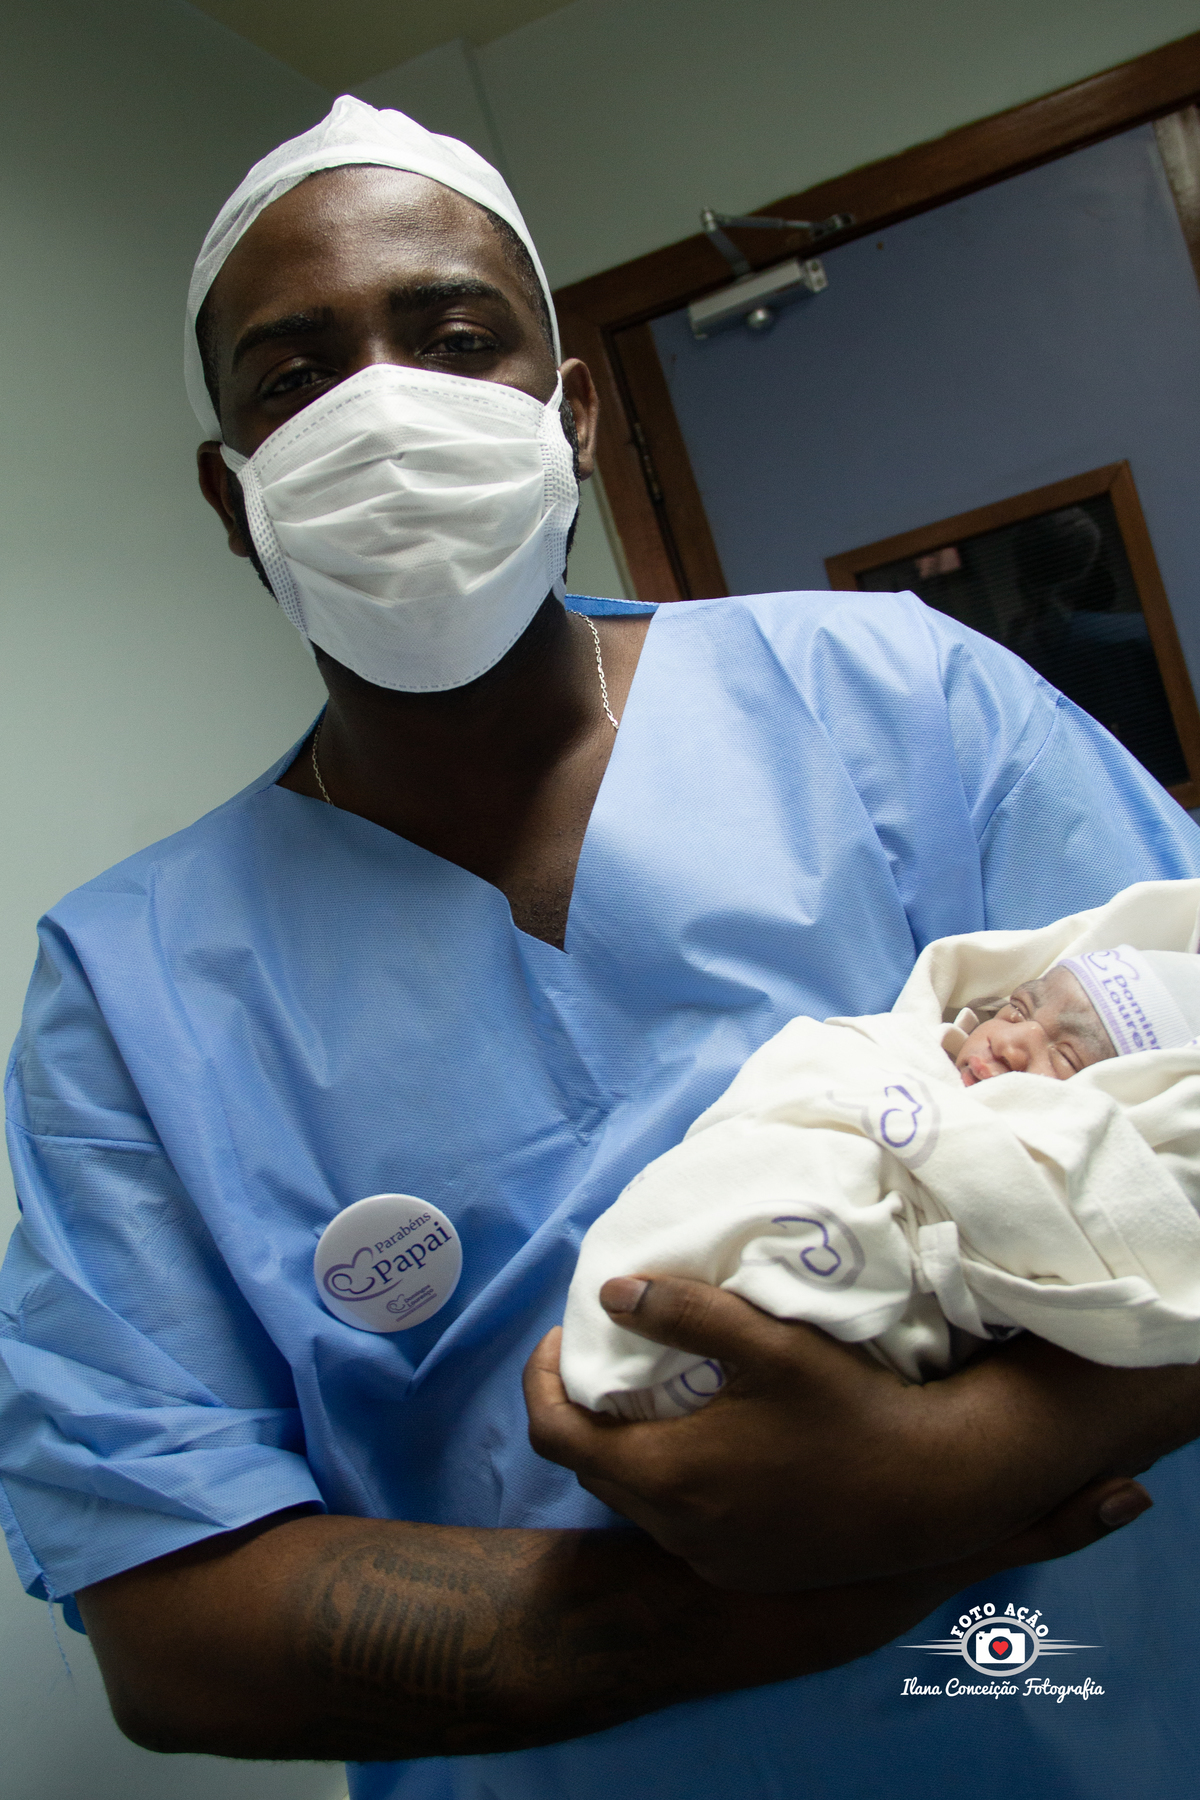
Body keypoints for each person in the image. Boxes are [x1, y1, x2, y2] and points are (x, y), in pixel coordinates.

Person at [3, 97, 1200, 1800]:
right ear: (231, 490)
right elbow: (172, 1618)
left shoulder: (898, 705)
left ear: (570, 414)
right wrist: (787, 1596)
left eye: (455, 337)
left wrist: (960, 1468)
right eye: (294, 375)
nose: (385, 412)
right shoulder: (131, 1000)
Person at [561, 881, 1200, 1415]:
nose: (1012, 1042)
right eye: (1014, 1011)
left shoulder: (1081, 1164)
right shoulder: (893, 1053)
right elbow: (792, 1079)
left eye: (1065, 1053)